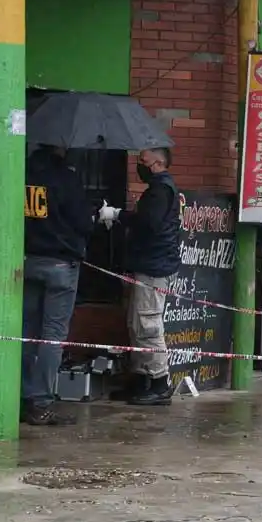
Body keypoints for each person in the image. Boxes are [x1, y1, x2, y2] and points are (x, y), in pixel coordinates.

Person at [99, 147, 181, 406]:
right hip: (148, 263)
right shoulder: (158, 190)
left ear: (158, 162)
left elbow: (149, 223)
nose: (139, 165)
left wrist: (119, 215)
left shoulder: (160, 190)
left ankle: (158, 382)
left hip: (153, 266)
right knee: (137, 324)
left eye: (143, 161)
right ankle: (143, 379)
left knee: (148, 324)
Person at [22, 145, 96, 426]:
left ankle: (22, 397)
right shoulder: (66, 178)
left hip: (29, 260)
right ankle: (41, 401)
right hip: (61, 264)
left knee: (27, 332)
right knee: (52, 336)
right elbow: (82, 224)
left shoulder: (23, 172)